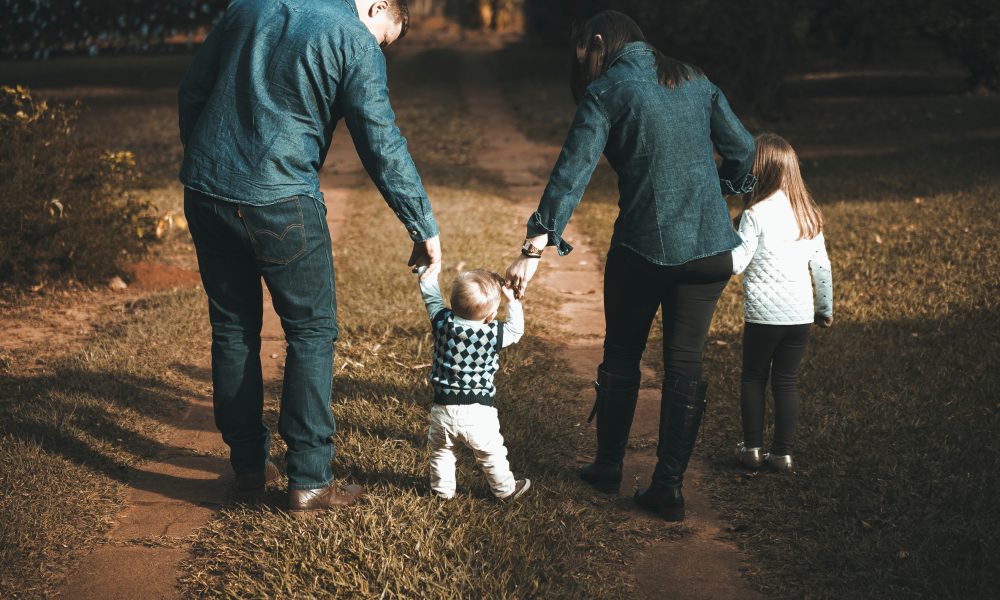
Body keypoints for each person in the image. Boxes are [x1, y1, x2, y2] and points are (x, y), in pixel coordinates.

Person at [178, 0, 442, 516]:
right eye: (382, 35)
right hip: (281, 199)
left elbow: (192, 89)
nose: (376, 46)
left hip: (206, 190)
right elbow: (380, 142)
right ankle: (311, 480)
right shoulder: (353, 39)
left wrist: (206, 157)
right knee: (311, 331)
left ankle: (250, 467)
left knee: (232, 327)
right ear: (378, 5)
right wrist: (422, 225)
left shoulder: (247, 6)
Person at [505, 11, 756, 521]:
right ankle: (668, 488)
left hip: (643, 251)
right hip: (711, 252)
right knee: (685, 364)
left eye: (586, 57)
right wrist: (723, 190)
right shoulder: (694, 77)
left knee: (622, 354)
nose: (587, 70)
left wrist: (532, 252)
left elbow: (569, 177)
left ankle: (607, 467)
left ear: (599, 43)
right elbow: (745, 151)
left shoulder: (608, 91)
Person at [731, 133, 833, 473]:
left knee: (753, 378)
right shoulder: (808, 215)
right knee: (787, 381)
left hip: (763, 317)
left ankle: (752, 450)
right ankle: (783, 455)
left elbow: (737, 264)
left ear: (758, 170)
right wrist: (824, 309)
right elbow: (821, 267)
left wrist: (721, 242)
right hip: (800, 316)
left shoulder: (755, 214)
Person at [419, 268, 531, 500]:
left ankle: (442, 492)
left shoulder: (442, 322)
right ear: (490, 317)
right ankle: (505, 490)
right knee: (491, 454)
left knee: (441, 452)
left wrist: (427, 269)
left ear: (452, 303)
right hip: (479, 412)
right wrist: (512, 301)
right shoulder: (493, 333)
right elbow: (516, 330)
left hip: (443, 409)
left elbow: (431, 296)